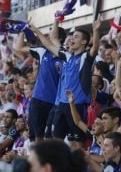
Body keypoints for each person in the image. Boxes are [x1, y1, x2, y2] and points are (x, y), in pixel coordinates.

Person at [30, 16, 101, 148]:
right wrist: (36, 30)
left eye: (76, 37)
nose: (72, 39)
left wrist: (96, 31)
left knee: (78, 143)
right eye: (72, 36)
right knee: (55, 141)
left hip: (77, 105)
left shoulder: (85, 57)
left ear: (85, 42)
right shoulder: (66, 56)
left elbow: (95, 48)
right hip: (61, 105)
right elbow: (50, 43)